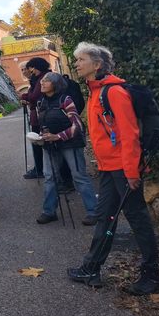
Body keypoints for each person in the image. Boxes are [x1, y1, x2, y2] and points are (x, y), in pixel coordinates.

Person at [67, 43, 159, 295]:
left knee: (138, 219)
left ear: (97, 65)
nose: (76, 63)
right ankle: (91, 267)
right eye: (76, 60)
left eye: (81, 59)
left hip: (123, 169)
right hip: (109, 169)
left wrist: (132, 171)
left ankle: (151, 277)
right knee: (104, 217)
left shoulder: (114, 92)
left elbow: (129, 134)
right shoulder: (94, 91)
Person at [34, 72, 98, 226]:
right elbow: (43, 123)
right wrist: (43, 135)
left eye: (46, 81)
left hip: (70, 143)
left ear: (55, 84)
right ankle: (49, 212)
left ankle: (94, 212)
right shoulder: (41, 102)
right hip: (50, 145)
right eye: (42, 81)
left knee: (79, 177)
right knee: (50, 177)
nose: (42, 83)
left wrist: (58, 136)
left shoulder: (66, 100)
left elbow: (77, 125)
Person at [20, 58, 49, 179]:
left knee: (38, 143)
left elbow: (34, 96)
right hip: (37, 116)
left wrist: (26, 97)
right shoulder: (38, 79)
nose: (27, 71)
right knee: (37, 143)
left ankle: (40, 169)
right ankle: (39, 168)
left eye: (28, 68)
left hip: (39, 116)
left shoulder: (41, 79)